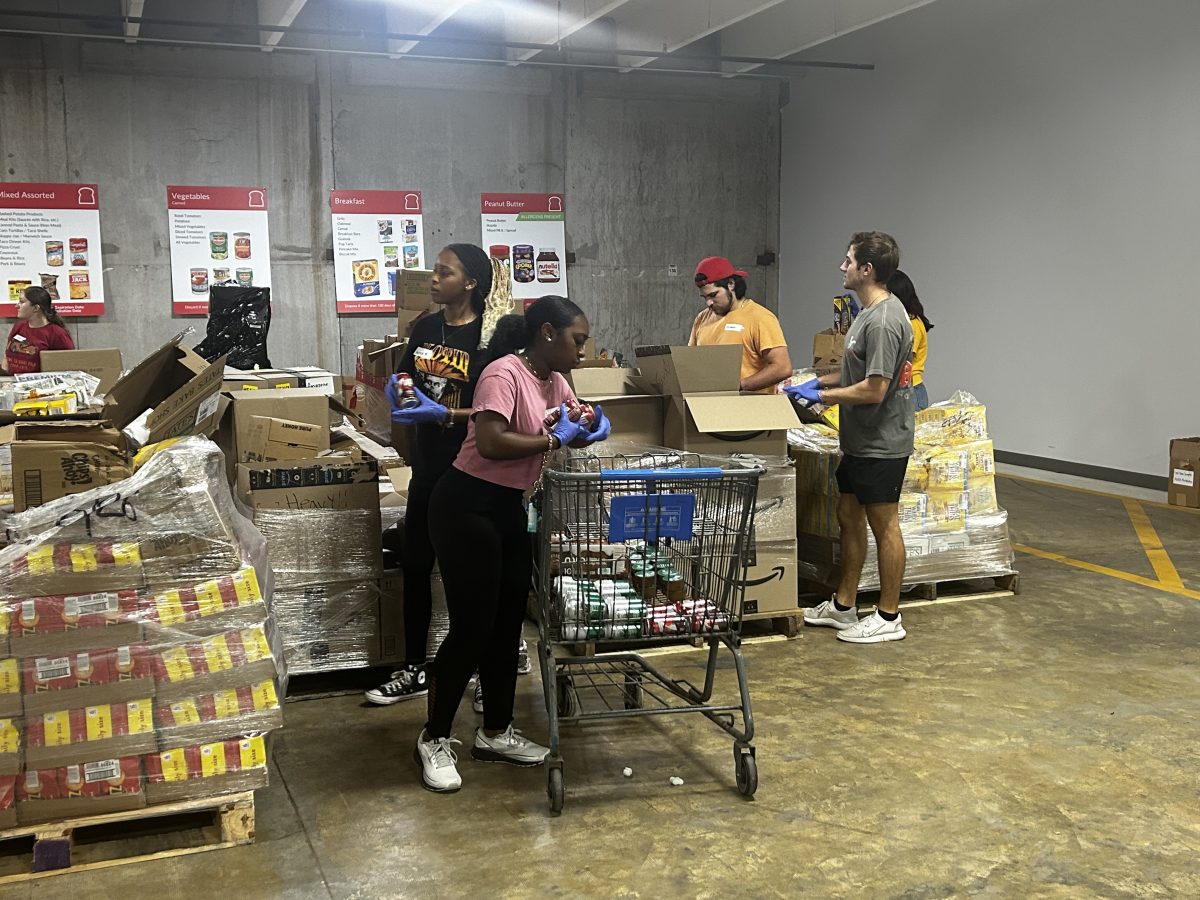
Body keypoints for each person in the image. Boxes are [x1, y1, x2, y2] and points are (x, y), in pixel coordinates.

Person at [415, 297, 612, 793]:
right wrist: (557, 441)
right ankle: (433, 736)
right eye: (577, 341)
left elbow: (567, 421)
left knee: (507, 625)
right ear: (547, 333)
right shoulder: (503, 374)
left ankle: (496, 731)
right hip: (465, 506)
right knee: (473, 626)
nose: (582, 353)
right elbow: (490, 441)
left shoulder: (554, 381)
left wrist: (587, 427)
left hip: (507, 508)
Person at [366, 244, 515, 707]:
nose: (433, 280)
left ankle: (470, 668)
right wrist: (399, 390)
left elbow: (499, 407)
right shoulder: (427, 327)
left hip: (471, 470)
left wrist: (448, 415)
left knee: (464, 578)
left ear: (470, 283)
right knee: (415, 564)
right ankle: (414, 669)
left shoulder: (491, 339)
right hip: (429, 466)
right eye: (434, 272)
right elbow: (408, 376)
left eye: (443, 273)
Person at [785, 232, 914, 644]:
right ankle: (844, 605)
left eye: (848, 261)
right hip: (858, 442)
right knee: (847, 515)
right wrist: (809, 381)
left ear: (867, 269)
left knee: (884, 525)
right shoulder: (864, 313)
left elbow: (874, 389)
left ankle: (889, 616)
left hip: (882, 442)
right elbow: (854, 374)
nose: (842, 267)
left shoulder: (885, 321)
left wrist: (821, 397)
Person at [689, 256, 792, 393]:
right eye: (705, 297)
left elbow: (782, 368)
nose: (709, 302)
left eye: (713, 295)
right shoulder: (702, 318)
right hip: (711, 406)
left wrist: (739, 386)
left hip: (751, 408)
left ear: (731, 284)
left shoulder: (760, 318)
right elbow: (692, 362)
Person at [887, 270, 934, 411]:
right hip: (904, 390)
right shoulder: (902, 321)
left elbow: (904, 362)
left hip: (910, 392)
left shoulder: (912, 323)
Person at [2, 286, 74, 375]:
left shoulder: (57, 334)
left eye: (21, 302)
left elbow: (69, 365)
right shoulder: (19, 326)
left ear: (36, 308)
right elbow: (7, 355)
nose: (16, 306)